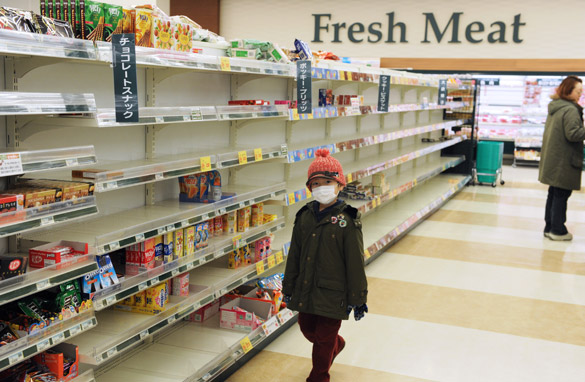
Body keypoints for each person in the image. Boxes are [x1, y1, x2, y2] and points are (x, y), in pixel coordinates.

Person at [282, 148, 368, 382]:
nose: (322, 187)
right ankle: (336, 344)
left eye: (328, 182)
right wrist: (288, 286)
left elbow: (355, 262)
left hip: (333, 292)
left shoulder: (347, 220)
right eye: (316, 183)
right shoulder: (304, 216)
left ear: (339, 184)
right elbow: (295, 255)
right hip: (306, 287)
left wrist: (358, 297)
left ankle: (319, 376)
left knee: (322, 340)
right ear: (310, 187)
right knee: (307, 327)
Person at [539, 75, 585, 241]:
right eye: (578, 91)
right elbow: (573, 134)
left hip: (555, 158)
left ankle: (549, 226)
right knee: (561, 194)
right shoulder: (570, 109)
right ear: (568, 90)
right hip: (565, 159)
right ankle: (558, 230)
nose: (580, 94)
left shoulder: (556, 107)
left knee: (554, 192)